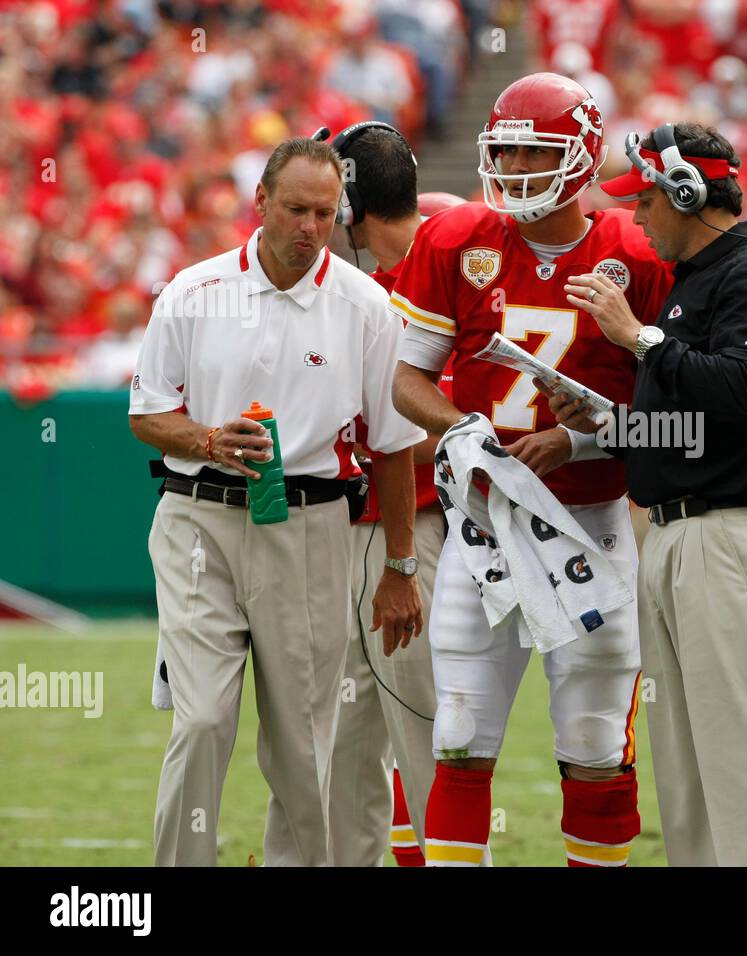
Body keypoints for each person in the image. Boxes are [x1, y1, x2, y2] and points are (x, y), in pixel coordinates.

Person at [389, 73, 673, 867]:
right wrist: (464, 430)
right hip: (487, 524)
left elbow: (672, 405)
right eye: (504, 149)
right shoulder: (459, 240)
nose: (513, 166)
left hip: (590, 519)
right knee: (458, 732)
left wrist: (580, 443)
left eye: (532, 150)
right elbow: (407, 379)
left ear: (582, 156)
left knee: (592, 742)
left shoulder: (636, 251)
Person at [129, 137, 425, 866]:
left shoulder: (366, 307)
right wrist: (206, 439)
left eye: (325, 213)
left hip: (313, 524)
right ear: (259, 202)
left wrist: (400, 563)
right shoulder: (193, 292)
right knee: (201, 722)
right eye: (295, 208)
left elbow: (392, 447)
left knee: (304, 739)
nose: (310, 227)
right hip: (199, 520)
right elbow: (146, 415)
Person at [552, 121, 747, 866]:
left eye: (645, 201)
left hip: (730, 536)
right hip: (680, 535)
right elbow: (695, 431)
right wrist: (607, 425)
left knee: (739, 757)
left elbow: (742, 388)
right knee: (687, 766)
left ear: (686, 192)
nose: (636, 217)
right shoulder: (698, 280)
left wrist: (635, 337)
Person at [324, 121, 463, 868]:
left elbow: (468, 420)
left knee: (430, 731)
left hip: (419, 523)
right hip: (347, 522)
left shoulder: (443, 258)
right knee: (344, 742)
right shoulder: (363, 279)